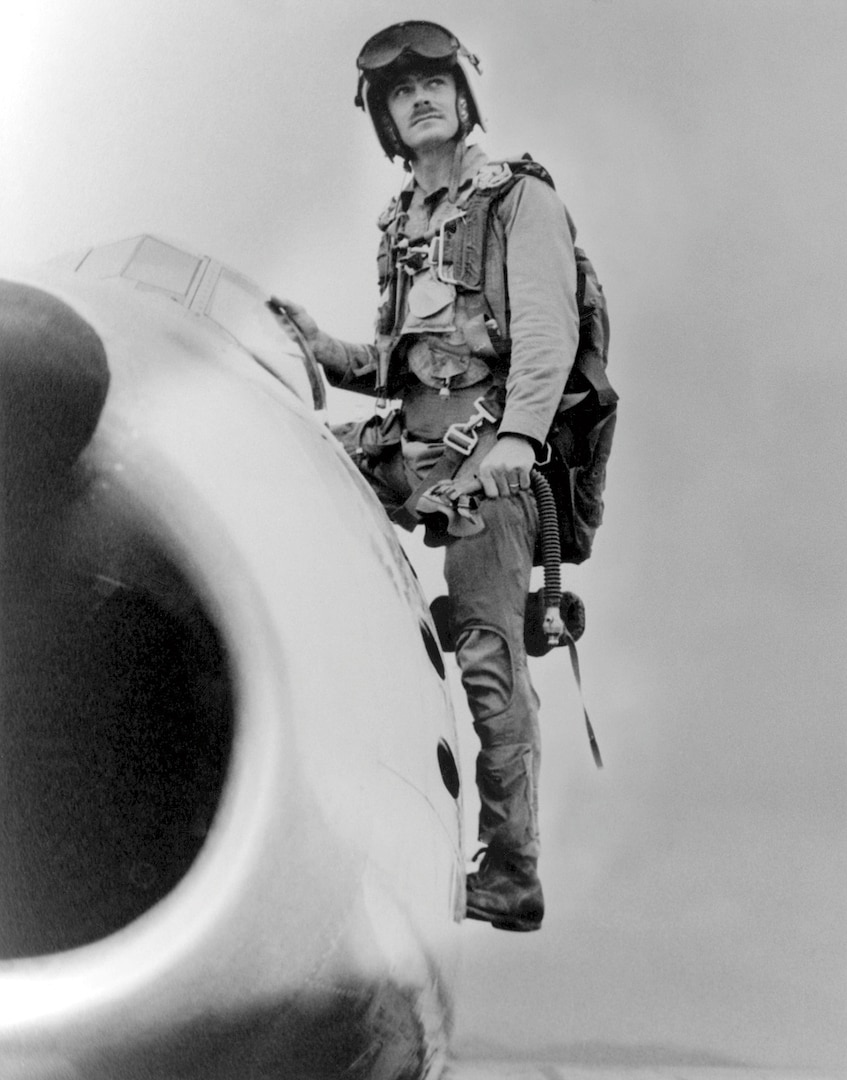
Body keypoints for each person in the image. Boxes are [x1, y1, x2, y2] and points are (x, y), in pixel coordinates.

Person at [271, 20, 615, 932]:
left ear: (463, 99)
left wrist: (517, 445)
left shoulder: (518, 202)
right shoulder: (404, 224)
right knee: (280, 473)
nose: (420, 96)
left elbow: (548, 337)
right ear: (384, 118)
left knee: (489, 666)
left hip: (489, 460)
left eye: (434, 82)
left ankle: (512, 870)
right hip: (411, 445)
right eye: (401, 90)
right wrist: (319, 346)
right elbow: (396, 365)